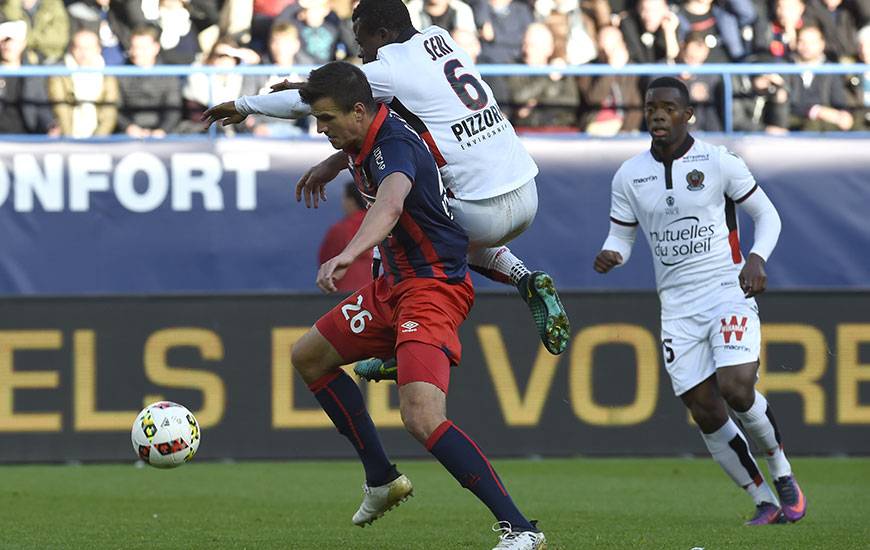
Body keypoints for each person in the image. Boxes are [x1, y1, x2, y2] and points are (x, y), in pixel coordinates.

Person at [202, 0, 571, 365]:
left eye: (363, 43)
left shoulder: (390, 69)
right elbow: (363, 94)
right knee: (446, 228)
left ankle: (396, 334)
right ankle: (523, 276)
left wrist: (244, 105)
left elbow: (312, 102)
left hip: (479, 206)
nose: (362, 53)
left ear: (384, 33)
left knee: (394, 212)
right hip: (525, 189)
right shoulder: (439, 38)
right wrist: (335, 155)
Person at [289, 61, 546, 550]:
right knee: (308, 356)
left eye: (326, 119)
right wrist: (332, 161)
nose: (321, 129)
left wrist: (349, 254)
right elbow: (358, 157)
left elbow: (389, 204)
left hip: (430, 291)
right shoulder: (363, 140)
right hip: (393, 289)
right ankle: (381, 479)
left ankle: (522, 530)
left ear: (359, 111)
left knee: (422, 416)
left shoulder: (395, 146)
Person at [594, 77, 807, 526]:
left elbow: (766, 215)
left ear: (687, 115)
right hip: (676, 306)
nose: (657, 115)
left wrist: (756, 257)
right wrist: (614, 252)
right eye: (652, 107)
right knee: (705, 409)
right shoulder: (629, 175)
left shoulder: (718, 162)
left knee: (735, 387)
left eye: (669, 108)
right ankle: (763, 499)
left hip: (727, 290)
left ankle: (782, 471)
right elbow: (623, 234)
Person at [48, 28, 119, 137]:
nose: (84, 53)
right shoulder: (59, 74)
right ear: (72, 49)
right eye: (79, 48)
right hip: (68, 137)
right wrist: (69, 140)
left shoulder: (108, 75)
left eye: (89, 48)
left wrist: (97, 141)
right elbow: (61, 110)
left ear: (98, 49)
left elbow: (109, 113)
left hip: (98, 140)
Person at [117, 24, 182, 138]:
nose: (136, 53)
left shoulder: (169, 74)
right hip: (128, 134)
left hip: (163, 135)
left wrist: (162, 130)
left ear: (155, 48)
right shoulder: (121, 73)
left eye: (142, 48)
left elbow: (173, 109)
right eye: (134, 47)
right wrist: (128, 127)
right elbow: (116, 108)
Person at [317, 182, 374, 292]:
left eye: (344, 198)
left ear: (351, 201)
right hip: (376, 294)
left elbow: (326, 261)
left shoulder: (340, 230)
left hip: (344, 296)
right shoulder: (383, 226)